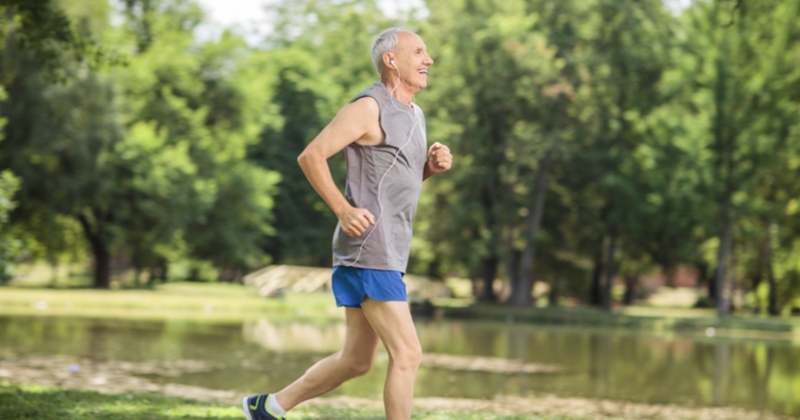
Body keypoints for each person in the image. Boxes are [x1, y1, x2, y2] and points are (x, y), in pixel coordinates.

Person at [241, 27, 452, 420]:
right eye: (419, 52)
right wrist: (343, 209)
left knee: (356, 361)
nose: (429, 60)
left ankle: (267, 407)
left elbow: (390, 185)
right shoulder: (369, 107)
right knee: (408, 354)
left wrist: (428, 170)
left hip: (386, 250)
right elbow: (312, 156)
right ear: (392, 60)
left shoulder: (415, 114)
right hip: (371, 248)